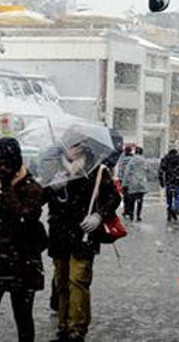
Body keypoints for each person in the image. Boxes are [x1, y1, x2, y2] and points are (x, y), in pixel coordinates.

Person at [46, 130, 122, 342]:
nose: (73, 150)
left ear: (84, 147)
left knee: (78, 279)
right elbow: (42, 198)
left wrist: (99, 215)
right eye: (69, 145)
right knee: (61, 281)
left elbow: (113, 197)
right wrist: (53, 188)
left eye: (77, 145)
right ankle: (63, 326)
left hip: (84, 234)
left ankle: (77, 329)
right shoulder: (53, 168)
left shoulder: (96, 170)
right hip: (59, 233)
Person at [0, 137, 47, 342]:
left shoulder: (31, 188)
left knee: (23, 317)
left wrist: (7, 190)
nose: (1, 168)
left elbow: (24, 219)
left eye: (6, 163)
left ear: (16, 162)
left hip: (22, 261)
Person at [158, 148, 179, 222]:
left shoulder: (166, 158)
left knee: (169, 199)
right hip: (178, 181)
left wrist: (161, 181)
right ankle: (175, 208)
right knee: (177, 196)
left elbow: (161, 171)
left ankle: (169, 213)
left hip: (169, 181)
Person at [125, 147, 148, 222]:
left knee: (132, 201)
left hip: (133, 183)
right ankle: (138, 215)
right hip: (141, 183)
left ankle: (131, 215)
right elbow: (148, 170)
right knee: (140, 200)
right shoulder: (144, 160)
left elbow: (127, 172)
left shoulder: (132, 160)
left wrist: (125, 183)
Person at [115, 145, 134, 220]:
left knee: (125, 196)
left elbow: (120, 169)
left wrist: (119, 178)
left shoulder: (121, 157)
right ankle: (129, 210)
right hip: (130, 179)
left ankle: (126, 210)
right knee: (130, 196)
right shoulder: (132, 158)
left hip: (123, 179)